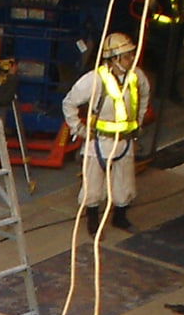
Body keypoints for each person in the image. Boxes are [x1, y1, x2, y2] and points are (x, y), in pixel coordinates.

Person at [61, 33, 148, 235]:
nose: (131, 59)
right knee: (92, 186)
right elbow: (69, 103)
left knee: (124, 183)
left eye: (131, 54)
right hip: (98, 142)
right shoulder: (94, 80)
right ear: (114, 58)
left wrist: (138, 123)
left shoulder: (136, 77)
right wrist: (80, 129)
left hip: (124, 141)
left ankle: (120, 217)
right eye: (126, 56)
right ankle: (93, 222)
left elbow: (143, 97)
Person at [135, 0, 184, 103]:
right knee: (165, 61)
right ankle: (165, 92)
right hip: (164, 28)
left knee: (172, 61)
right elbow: (152, 0)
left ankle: (166, 91)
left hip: (177, 27)